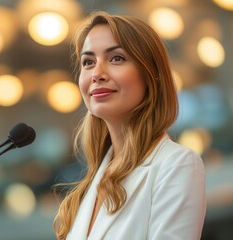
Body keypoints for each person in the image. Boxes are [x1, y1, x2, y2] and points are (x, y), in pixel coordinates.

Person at [53, 11, 206, 240]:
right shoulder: (87, 190)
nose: (97, 74)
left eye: (116, 58)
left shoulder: (176, 165)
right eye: (88, 62)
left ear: (150, 75)